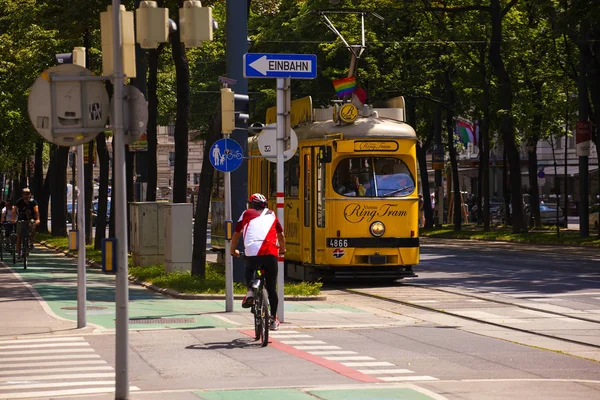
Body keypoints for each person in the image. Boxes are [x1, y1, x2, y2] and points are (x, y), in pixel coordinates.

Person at [230, 193, 286, 331]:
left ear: (251, 204)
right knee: (272, 288)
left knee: (249, 268)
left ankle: (250, 291)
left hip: (252, 252)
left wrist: (233, 251)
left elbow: (236, 234)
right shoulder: (272, 214)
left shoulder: (246, 213)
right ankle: (273, 319)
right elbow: (281, 235)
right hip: (271, 253)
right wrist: (283, 250)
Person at [14, 188, 40, 260]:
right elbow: (14, 210)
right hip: (21, 219)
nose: (26, 195)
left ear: (30, 194)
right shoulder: (19, 202)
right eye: (25, 194)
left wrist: (37, 219)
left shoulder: (33, 202)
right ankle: (19, 255)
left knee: (33, 226)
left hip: (30, 219)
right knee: (19, 238)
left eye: (28, 194)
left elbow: (36, 211)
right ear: (22, 195)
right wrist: (13, 219)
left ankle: (31, 242)